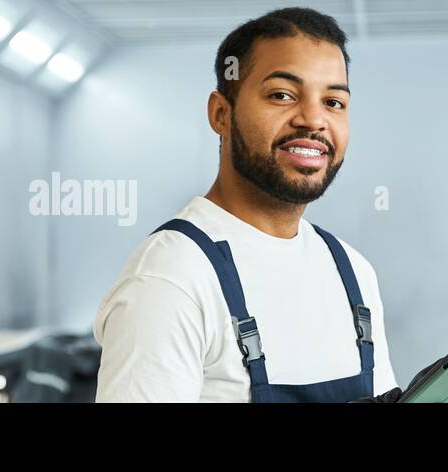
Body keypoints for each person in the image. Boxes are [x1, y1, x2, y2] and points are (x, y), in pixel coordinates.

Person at [93, 7, 401, 403]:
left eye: (334, 102)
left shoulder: (354, 272)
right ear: (221, 114)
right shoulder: (171, 277)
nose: (313, 119)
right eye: (282, 95)